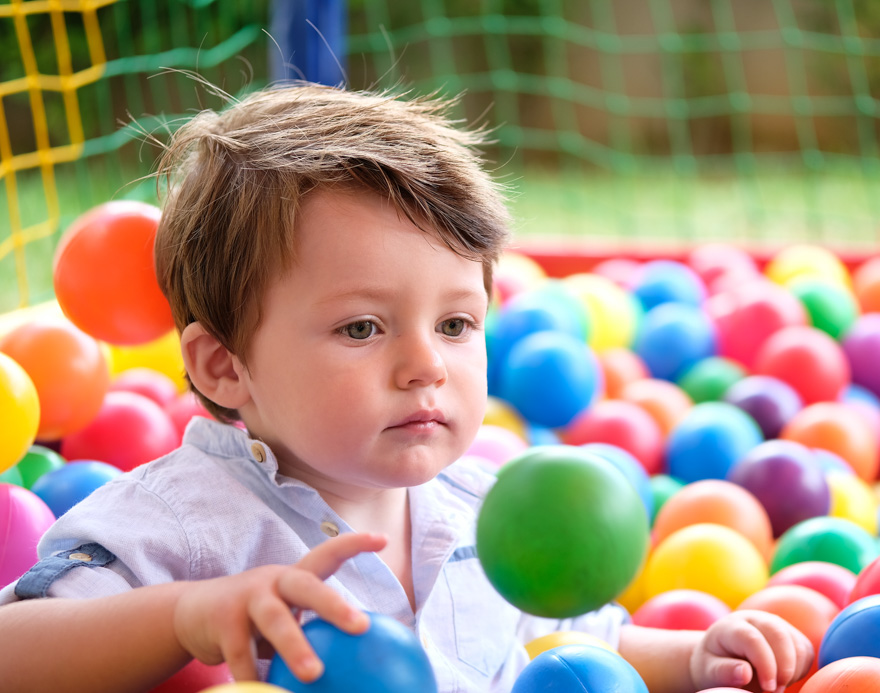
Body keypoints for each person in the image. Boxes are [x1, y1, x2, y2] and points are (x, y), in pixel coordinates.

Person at [0, 84, 812, 692]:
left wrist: (694, 657)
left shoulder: (493, 514)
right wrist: (188, 616)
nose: (427, 364)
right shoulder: (185, 520)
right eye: (362, 327)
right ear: (223, 366)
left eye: (456, 323)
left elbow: (577, 648)